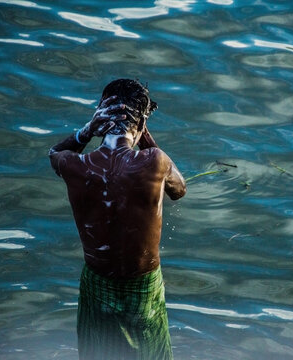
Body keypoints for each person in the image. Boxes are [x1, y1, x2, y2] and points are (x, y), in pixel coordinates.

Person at [49, 79, 186, 360]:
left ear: (101, 116)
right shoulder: (155, 161)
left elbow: (53, 154)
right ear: (141, 123)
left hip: (97, 283)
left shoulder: (75, 165)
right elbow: (179, 189)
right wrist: (145, 135)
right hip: (143, 286)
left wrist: (85, 132)